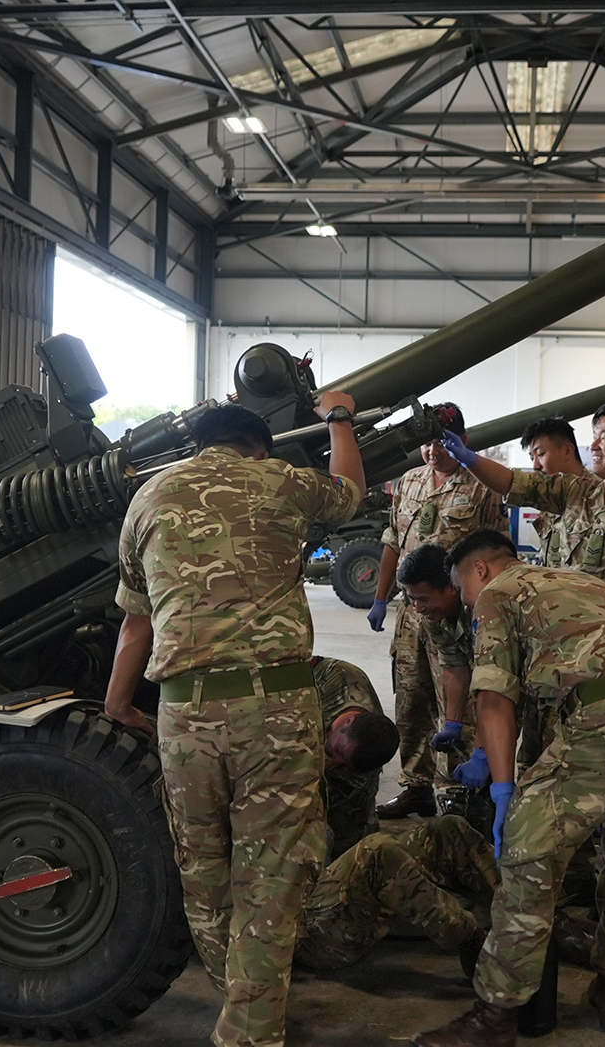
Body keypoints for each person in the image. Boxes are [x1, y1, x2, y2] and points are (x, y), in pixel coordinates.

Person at [104, 396, 364, 1047]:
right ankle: (251, 1027)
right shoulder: (281, 481)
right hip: (274, 708)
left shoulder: (149, 498)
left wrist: (117, 703)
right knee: (272, 875)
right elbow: (352, 492)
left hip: (183, 711)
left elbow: (136, 618)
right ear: (260, 447)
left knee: (205, 872)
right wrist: (339, 420)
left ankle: (246, 1005)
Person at [414, 529, 605, 1046]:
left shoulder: (497, 592)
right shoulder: (574, 580)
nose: (468, 603)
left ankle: (494, 1016)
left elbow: (495, 699)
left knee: (527, 855)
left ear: (478, 572)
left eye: (463, 589)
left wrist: (504, 793)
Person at [367, 403, 508, 820]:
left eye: (441, 443)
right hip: (415, 612)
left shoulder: (482, 484)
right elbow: (392, 539)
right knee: (411, 699)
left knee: (458, 704)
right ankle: (416, 785)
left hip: (458, 610)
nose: (432, 451)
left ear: (461, 441)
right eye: (426, 443)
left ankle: (459, 790)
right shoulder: (409, 481)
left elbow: (495, 551)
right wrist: (380, 597)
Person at [441, 401, 605, 631]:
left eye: (603, 438)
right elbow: (512, 482)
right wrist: (468, 458)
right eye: (594, 437)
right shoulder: (574, 490)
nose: (593, 446)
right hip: (561, 636)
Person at [296, 815, 497, 976]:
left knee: (448, 828)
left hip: (326, 890)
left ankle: (519, 904)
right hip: (311, 931)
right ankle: (469, 938)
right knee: (377, 849)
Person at [313, 655, 400, 862]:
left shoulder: (360, 768)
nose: (334, 762)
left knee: (352, 843)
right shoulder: (332, 680)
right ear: (347, 720)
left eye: (344, 763)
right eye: (338, 753)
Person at [517, 417, 585, 568]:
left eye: (540, 455)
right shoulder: (548, 497)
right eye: (532, 458)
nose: (535, 466)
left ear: (567, 451)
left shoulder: (596, 493)